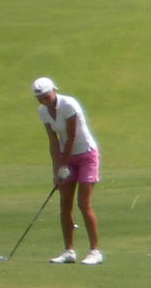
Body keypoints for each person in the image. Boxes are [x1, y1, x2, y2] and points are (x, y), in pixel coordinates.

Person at [31, 77, 104, 265]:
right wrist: (56, 170)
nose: (43, 101)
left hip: (87, 155)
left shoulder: (69, 104)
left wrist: (63, 166)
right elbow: (53, 141)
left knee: (83, 204)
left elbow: (71, 137)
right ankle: (69, 251)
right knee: (65, 203)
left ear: (53, 91)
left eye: (46, 97)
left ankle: (95, 251)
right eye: (39, 98)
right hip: (67, 158)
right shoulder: (42, 112)